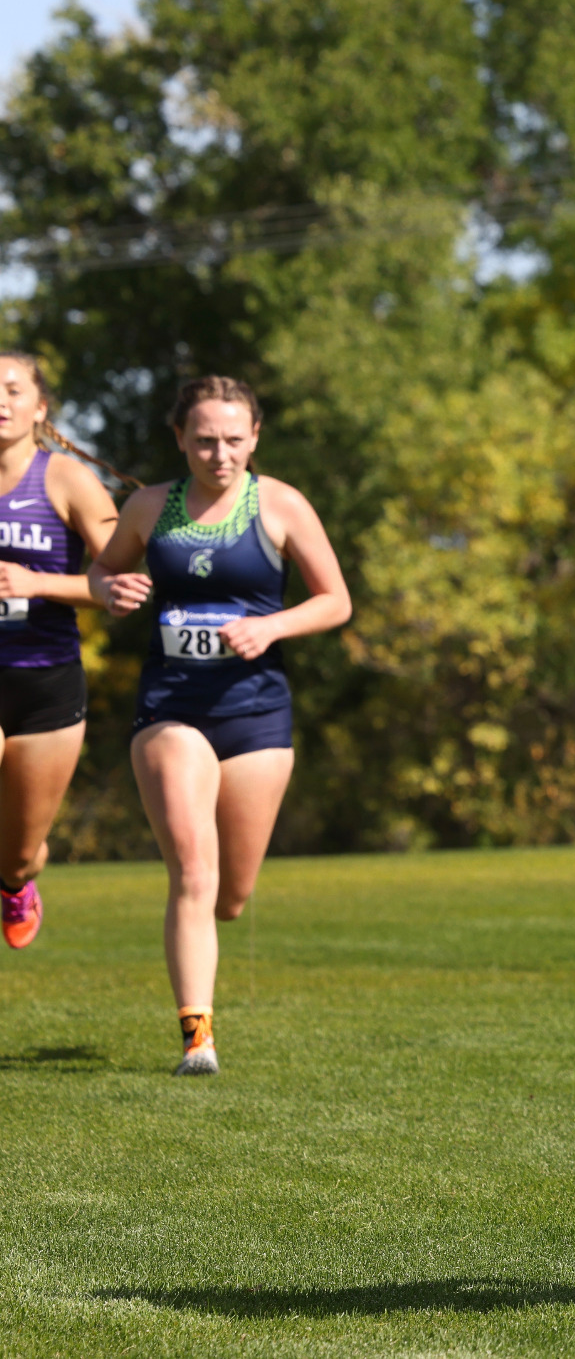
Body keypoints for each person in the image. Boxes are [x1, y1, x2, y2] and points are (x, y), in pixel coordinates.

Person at [89, 377, 351, 1075]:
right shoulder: (148, 506)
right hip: (171, 708)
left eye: (234, 439)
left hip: (257, 715)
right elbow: (101, 572)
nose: (219, 453)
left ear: (255, 437)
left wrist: (271, 627)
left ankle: (210, 954)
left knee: (229, 896)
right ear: (179, 438)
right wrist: (110, 589)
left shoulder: (283, 504)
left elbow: (336, 602)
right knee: (192, 873)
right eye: (204, 439)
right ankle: (197, 1038)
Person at [0, 352, 129, 950]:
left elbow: (117, 581)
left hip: (46, 684)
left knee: (20, 852)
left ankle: (17, 882)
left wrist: (37, 583)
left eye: (13, 389)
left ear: (39, 407)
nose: (0, 401)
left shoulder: (67, 480)